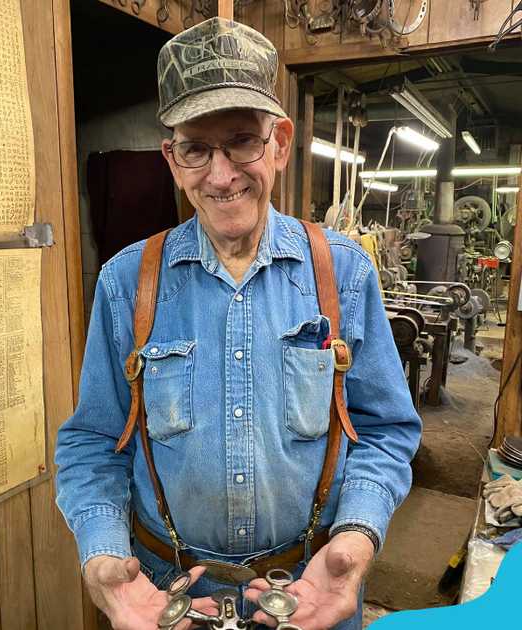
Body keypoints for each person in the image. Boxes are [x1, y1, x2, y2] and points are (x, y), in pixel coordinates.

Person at [54, 18, 421, 630]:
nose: (221, 175)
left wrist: (356, 535)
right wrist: (101, 551)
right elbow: (93, 442)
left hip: (309, 593)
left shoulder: (344, 273)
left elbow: (383, 431)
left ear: (278, 142)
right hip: (171, 603)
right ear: (172, 159)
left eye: (242, 142)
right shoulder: (127, 282)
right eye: (196, 148)